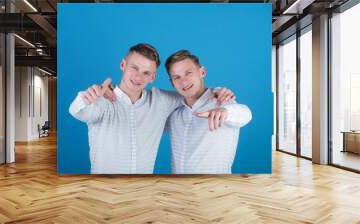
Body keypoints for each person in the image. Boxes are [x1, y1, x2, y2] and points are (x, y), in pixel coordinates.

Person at [69, 43, 235, 174]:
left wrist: (217, 91)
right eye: (134, 68)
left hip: (144, 191)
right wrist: (86, 97)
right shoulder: (102, 101)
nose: (138, 77)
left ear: (153, 77)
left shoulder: (161, 100)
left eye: (146, 72)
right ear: (122, 64)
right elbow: (77, 111)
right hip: (104, 190)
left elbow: (193, 94)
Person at [165, 50, 252, 174]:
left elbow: (246, 114)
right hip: (178, 188)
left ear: (202, 72)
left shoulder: (222, 102)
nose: (183, 81)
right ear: (172, 83)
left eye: (188, 73)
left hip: (213, 188)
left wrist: (225, 111)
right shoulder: (174, 114)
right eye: (177, 77)